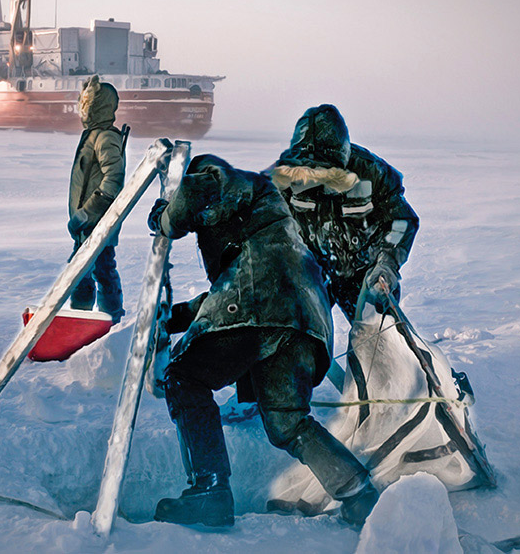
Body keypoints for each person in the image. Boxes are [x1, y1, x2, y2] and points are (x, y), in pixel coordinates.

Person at [146, 154, 379, 528]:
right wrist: (174, 318)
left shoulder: (220, 176)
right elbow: (232, 295)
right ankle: (359, 493)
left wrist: (163, 216)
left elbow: (194, 191)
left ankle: (210, 490)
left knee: (185, 377)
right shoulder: (267, 231)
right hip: (301, 320)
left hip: (261, 308)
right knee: (289, 423)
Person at [270, 104, 418, 316]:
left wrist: (387, 262)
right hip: (313, 272)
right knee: (294, 330)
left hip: (366, 274)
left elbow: (401, 221)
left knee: (377, 339)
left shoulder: (372, 172)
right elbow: (270, 227)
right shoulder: (284, 180)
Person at [67, 75, 127, 322]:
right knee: (84, 271)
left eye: (87, 104)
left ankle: (108, 320)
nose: (83, 109)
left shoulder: (105, 137)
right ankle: (83, 318)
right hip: (87, 224)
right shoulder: (93, 134)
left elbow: (114, 178)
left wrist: (87, 213)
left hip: (97, 222)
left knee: (95, 269)